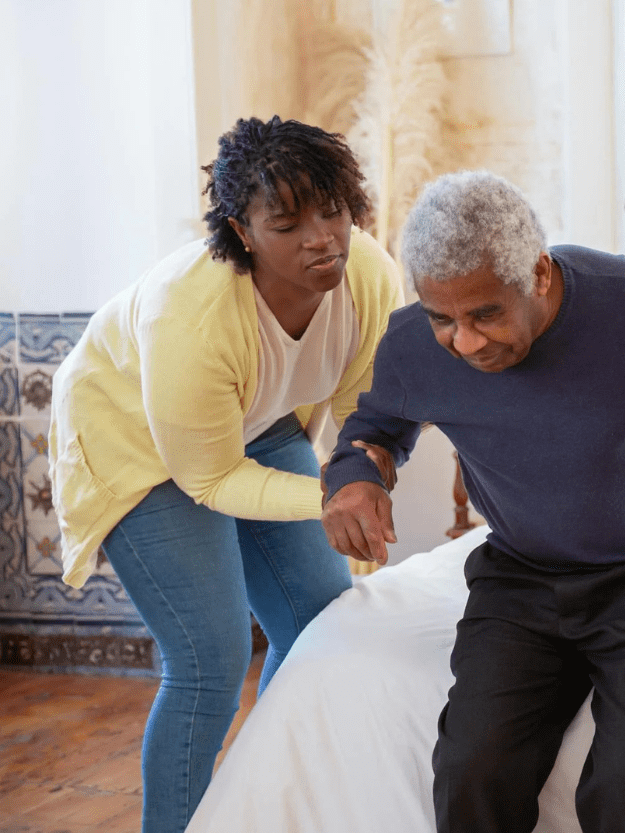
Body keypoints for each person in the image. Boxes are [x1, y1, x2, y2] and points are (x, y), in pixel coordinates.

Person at [319, 170, 625, 833]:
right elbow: (375, 425)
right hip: (523, 577)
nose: (464, 342)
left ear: (538, 272)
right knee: (472, 770)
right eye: (444, 318)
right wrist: (355, 477)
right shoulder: (416, 344)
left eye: (486, 315)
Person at [48, 116, 403, 833]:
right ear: (242, 231)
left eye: (334, 210)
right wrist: (330, 498)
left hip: (254, 415)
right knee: (211, 657)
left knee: (317, 627)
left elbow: (365, 414)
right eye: (289, 223)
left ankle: (257, 809)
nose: (323, 238)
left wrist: (362, 482)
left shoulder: (366, 272)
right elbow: (209, 480)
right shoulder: (191, 315)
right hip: (133, 438)